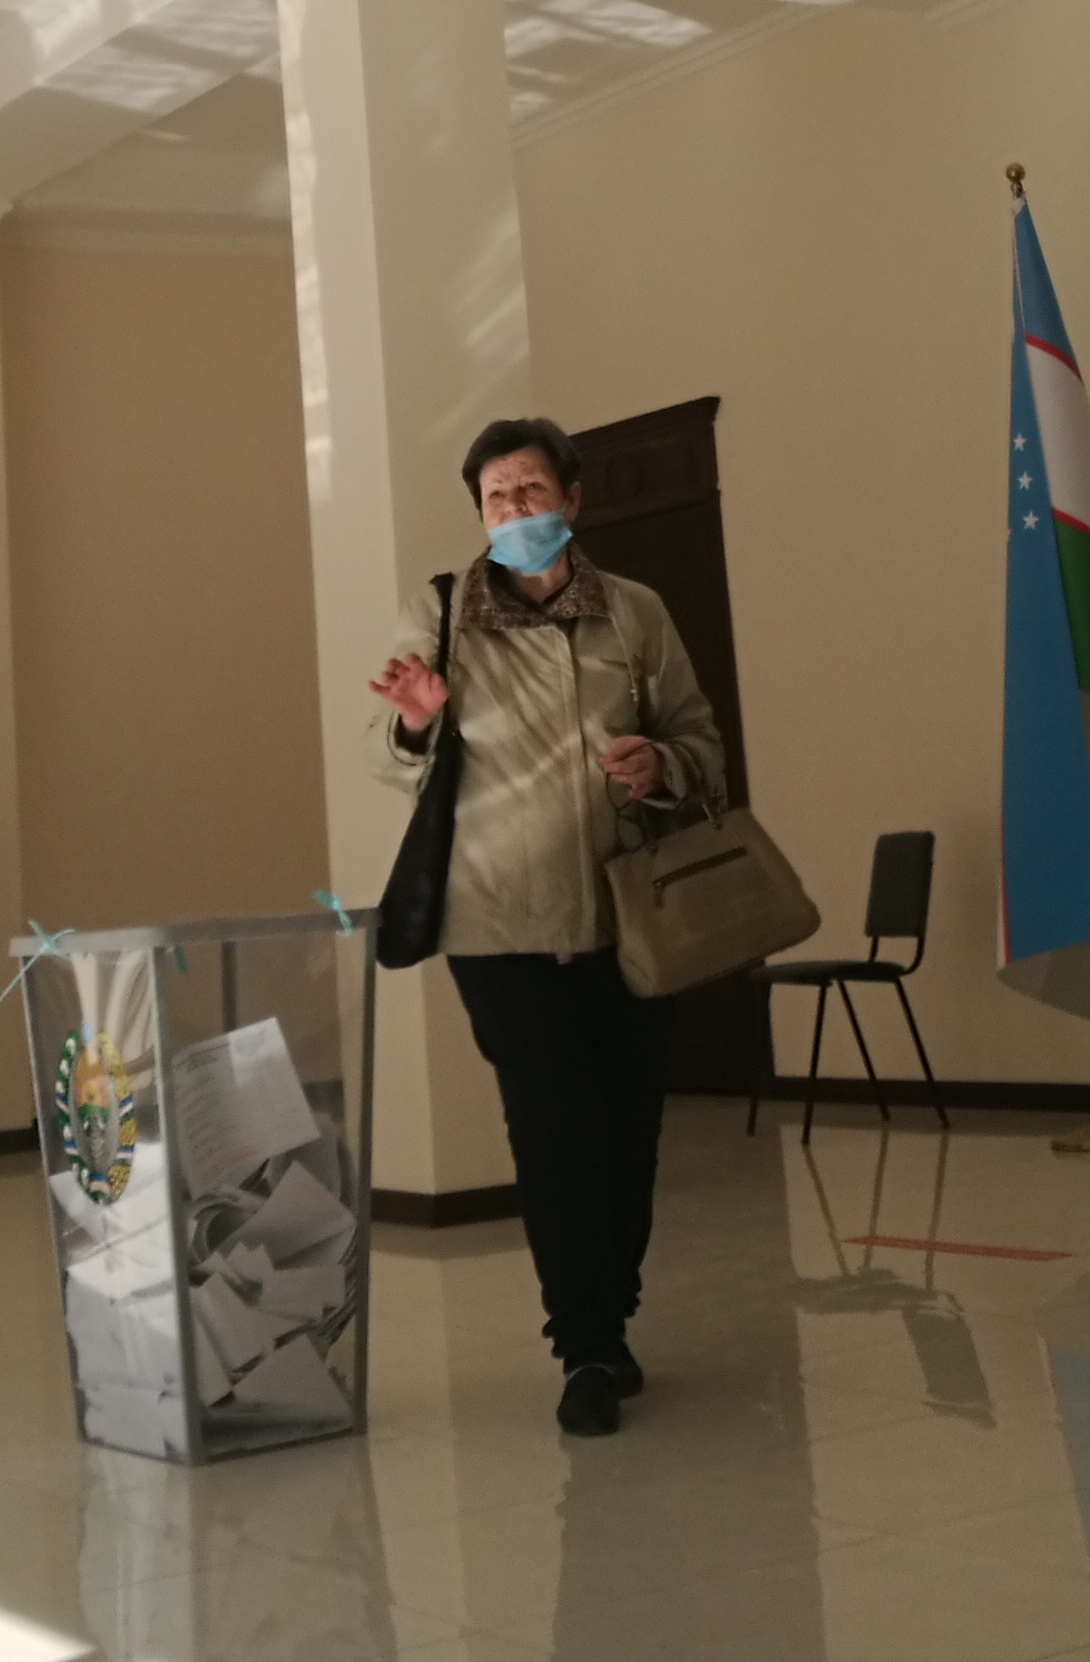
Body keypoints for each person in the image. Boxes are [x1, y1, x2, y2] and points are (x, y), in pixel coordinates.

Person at [368, 419, 725, 1439]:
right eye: (493, 498)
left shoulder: (636, 613)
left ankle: (610, 1317)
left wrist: (665, 765)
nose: (513, 513)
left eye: (530, 492)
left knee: (627, 1130)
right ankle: (584, 1346)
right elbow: (385, 750)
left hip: (632, 918)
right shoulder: (441, 613)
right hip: (500, 922)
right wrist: (418, 721)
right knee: (553, 1128)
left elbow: (698, 735)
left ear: (571, 498)